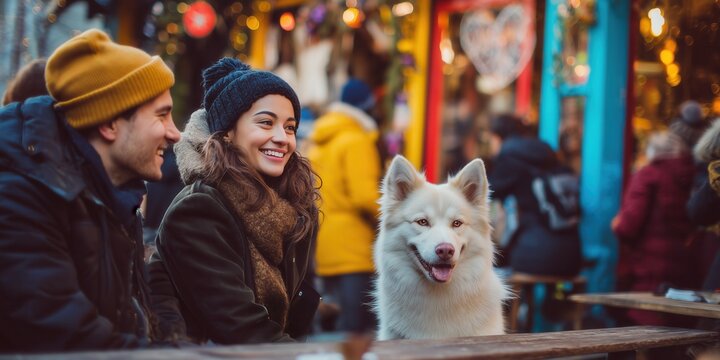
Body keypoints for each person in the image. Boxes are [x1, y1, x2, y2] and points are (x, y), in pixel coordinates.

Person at [0, 29, 179, 351]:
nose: (174, 133)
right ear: (109, 124)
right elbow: (70, 341)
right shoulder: (19, 199)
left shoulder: (114, 197)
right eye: (162, 115)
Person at [148, 58, 321, 345]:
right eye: (266, 123)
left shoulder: (293, 207)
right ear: (228, 132)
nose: (282, 138)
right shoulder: (199, 210)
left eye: (290, 128)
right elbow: (242, 329)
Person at [306, 78, 381, 333]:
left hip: (324, 244)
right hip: (354, 250)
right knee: (358, 331)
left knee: (332, 326)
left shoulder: (318, 141)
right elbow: (365, 196)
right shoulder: (357, 140)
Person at [612, 131, 696, 326]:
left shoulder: (648, 175)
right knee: (676, 327)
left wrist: (616, 224)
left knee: (645, 323)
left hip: (649, 268)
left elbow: (628, 226)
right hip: (685, 263)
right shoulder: (693, 176)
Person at [488, 114, 582, 277]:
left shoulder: (510, 160)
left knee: (490, 269)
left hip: (535, 256)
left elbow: (482, 194)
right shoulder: (548, 155)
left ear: (497, 138)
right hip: (572, 257)